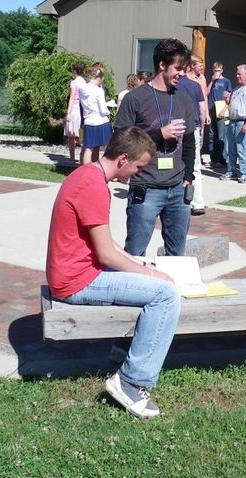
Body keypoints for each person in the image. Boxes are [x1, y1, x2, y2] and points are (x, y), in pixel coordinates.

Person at [46, 126, 180, 419]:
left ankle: (125, 354)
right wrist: (153, 277)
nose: (137, 173)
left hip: (76, 273)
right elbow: (105, 254)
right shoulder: (93, 187)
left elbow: (109, 245)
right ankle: (131, 382)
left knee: (151, 276)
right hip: (76, 282)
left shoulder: (87, 175)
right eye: (138, 167)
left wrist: (138, 263)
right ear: (123, 159)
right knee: (166, 295)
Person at [114, 39, 196, 257]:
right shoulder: (135, 98)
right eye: (178, 68)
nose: (182, 74)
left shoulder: (184, 99)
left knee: (177, 254)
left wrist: (188, 176)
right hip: (146, 188)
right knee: (135, 252)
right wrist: (159, 134)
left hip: (178, 190)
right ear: (162, 65)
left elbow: (189, 140)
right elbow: (121, 140)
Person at [177, 55, 209, 215]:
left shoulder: (174, 85)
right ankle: (197, 202)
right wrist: (202, 128)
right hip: (193, 128)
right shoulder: (195, 86)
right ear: (190, 66)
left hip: (175, 127)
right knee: (195, 165)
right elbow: (202, 110)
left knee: (175, 162)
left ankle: (178, 200)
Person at [220, 64, 246, 183]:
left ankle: (244, 173)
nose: (236, 75)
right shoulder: (237, 88)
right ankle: (231, 171)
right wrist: (227, 99)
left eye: (239, 74)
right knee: (230, 149)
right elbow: (231, 104)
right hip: (232, 122)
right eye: (237, 73)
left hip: (242, 122)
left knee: (242, 149)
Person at [79, 66, 112, 165]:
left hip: (89, 121)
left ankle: (85, 172)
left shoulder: (83, 88)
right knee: (108, 148)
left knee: (88, 148)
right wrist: (109, 109)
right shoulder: (98, 90)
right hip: (101, 121)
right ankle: (107, 169)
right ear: (99, 78)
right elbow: (103, 110)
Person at [205, 62, 232, 167]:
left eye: (218, 70)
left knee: (221, 136)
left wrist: (225, 109)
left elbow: (229, 98)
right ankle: (213, 159)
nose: (217, 72)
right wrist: (211, 81)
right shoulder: (212, 81)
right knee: (212, 136)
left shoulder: (226, 81)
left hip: (222, 110)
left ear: (222, 71)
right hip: (212, 110)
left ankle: (222, 160)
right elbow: (206, 93)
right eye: (215, 70)